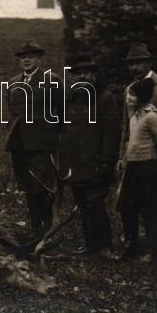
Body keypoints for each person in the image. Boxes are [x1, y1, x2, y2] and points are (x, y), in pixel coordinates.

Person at [57, 52, 120, 256]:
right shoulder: (71, 99)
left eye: (87, 73)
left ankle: (105, 247)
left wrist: (106, 161)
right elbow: (66, 133)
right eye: (78, 74)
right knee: (83, 205)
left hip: (97, 163)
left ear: (95, 76)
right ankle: (90, 246)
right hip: (76, 165)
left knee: (96, 204)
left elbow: (111, 133)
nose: (83, 77)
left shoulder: (105, 98)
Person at [5, 41, 63, 236]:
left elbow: (62, 112)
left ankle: (46, 229)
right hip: (19, 143)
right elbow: (12, 112)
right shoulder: (13, 83)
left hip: (42, 144)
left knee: (41, 186)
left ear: (39, 59)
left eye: (30, 56)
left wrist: (54, 135)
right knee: (28, 186)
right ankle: (35, 227)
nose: (26, 60)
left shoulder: (51, 80)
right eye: (23, 57)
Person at [116, 77, 157, 262]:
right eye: (129, 94)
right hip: (133, 167)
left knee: (151, 209)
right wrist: (124, 159)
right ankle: (132, 245)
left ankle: (154, 250)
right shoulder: (134, 116)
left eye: (132, 95)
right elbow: (131, 140)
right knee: (128, 206)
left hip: (149, 168)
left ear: (142, 97)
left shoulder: (151, 117)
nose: (128, 98)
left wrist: (153, 162)